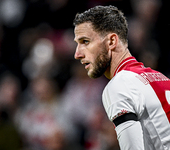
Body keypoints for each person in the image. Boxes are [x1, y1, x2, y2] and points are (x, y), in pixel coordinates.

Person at [73, 5, 170, 150]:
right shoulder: (160, 78)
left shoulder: (119, 85)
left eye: (85, 42)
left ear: (111, 41)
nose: (77, 54)